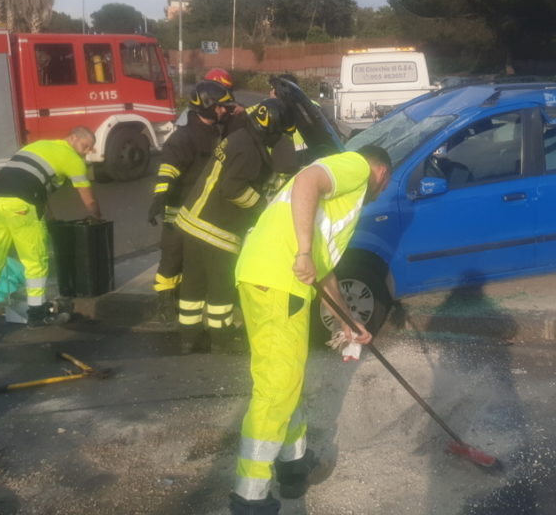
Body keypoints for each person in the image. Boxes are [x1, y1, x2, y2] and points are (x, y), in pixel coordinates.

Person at [229, 144, 392, 515]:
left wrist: (350, 324)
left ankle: (293, 462)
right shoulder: (356, 168)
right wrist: (303, 251)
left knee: (288, 378)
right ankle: (250, 498)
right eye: (385, 182)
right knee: (276, 387)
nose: (379, 190)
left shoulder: (327, 214)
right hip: (278, 280)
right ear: (382, 172)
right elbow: (307, 180)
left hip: (272, 279)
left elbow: (325, 275)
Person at [174, 98, 297, 355]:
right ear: (270, 130)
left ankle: (188, 337)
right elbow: (233, 188)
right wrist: (261, 206)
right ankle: (220, 338)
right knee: (221, 288)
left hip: (193, 223)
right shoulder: (250, 151)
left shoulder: (239, 137)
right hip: (217, 230)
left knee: (193, 286)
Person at [0, 127, 102, 333]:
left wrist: (50, 218)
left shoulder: (38, 146)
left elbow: (37, 186)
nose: (86, 152)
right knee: (35, 260)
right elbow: (88, 197)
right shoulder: (72, 159)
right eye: (85, 146)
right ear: (73, 138)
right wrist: (97, 216)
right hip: (22, 204)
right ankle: (36, 314)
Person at [148, 80, 237, 322]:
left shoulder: (217, 130)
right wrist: (160, 196)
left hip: (202, 209)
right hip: (179, 208)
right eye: (219, 107)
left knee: (194, 258)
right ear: (205, 105)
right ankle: (164, 301)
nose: (223, 110)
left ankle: (186, 298)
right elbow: (168, 168)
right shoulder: (184, 138)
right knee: (172, 255)